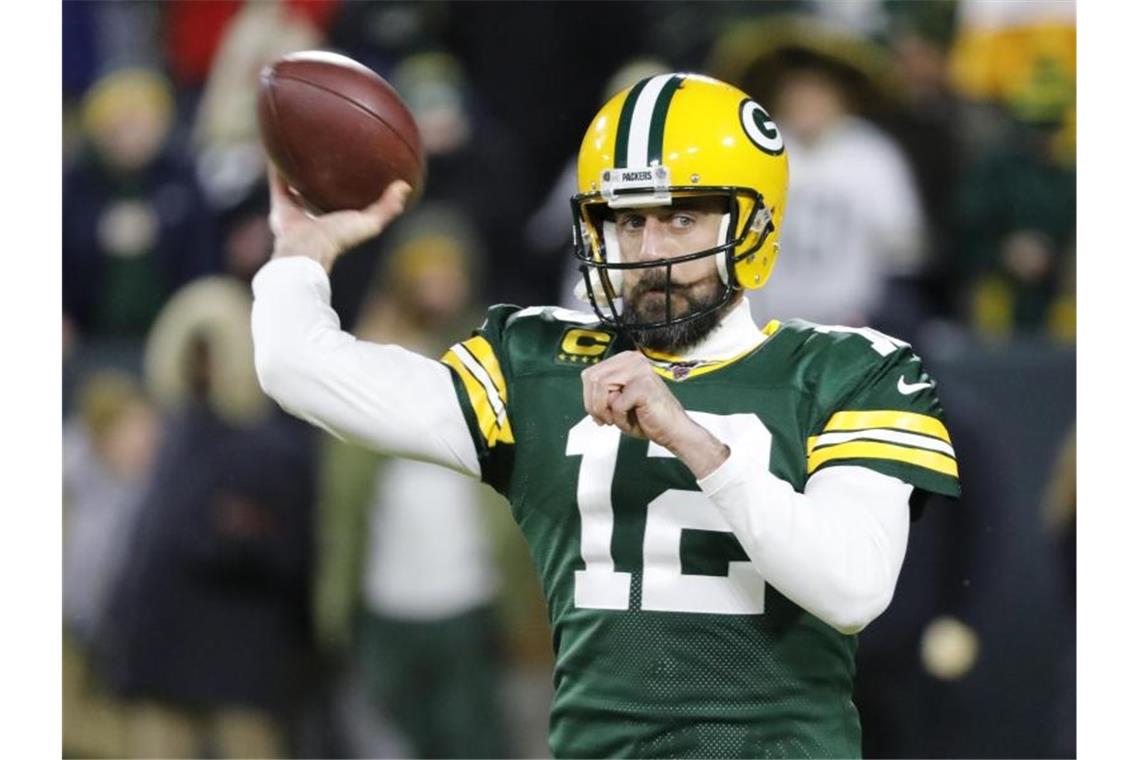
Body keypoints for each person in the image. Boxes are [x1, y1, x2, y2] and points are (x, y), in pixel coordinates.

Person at [252, 73, 961, 758]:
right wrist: (300, 255)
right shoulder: (542, 366)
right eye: (627, 221)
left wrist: (691, 439)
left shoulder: (848, 371)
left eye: (681, 218)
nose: (648, 253)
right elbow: (298, 367)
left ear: (754, 226)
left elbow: (852, 588)